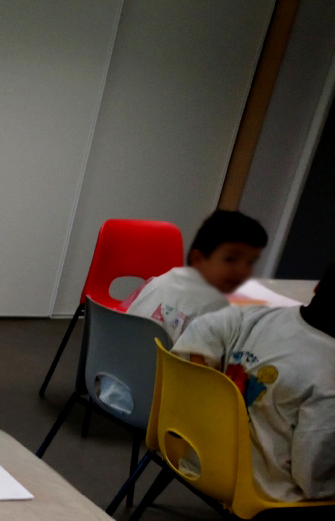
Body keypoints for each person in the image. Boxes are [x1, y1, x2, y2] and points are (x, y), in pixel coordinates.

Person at [171, 267, 335, 503]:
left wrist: (205, 389)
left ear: (317, 286)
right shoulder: (329, 378)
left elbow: (201, 328)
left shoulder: (258, 316)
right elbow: (311, 477)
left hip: (194, 455)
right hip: (259, 487)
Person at [124, 210, 265, 342]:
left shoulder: (158, 281)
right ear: (198, 259)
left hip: (118, 361)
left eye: (251, 263)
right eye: (231, 259)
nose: (243, 271)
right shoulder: (218, 308)